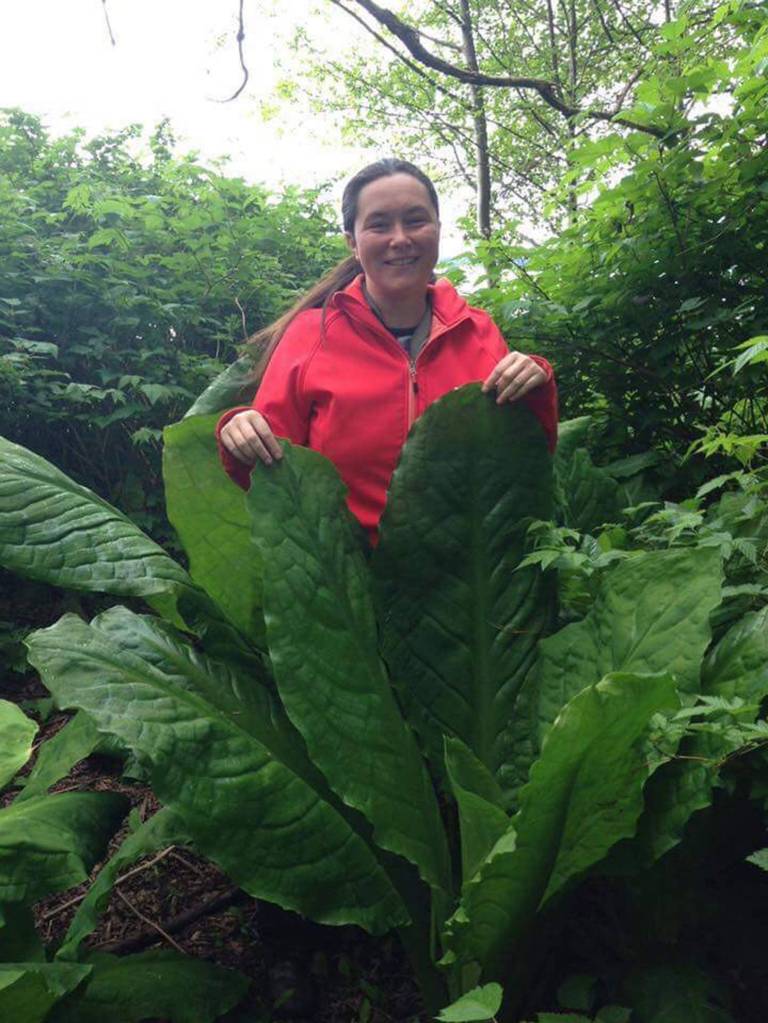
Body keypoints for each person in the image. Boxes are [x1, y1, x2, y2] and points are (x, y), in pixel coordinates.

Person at [217, 158, 558, 544]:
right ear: (353, 241)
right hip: (350, 578)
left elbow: (523, 459)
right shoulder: (311, 336)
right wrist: (240, 431)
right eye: (379, 225)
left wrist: (536, 385)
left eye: (415, 220)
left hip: (463, 577)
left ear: (438, 230)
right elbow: (270, 472)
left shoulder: (476, 331)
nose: (400, 238)